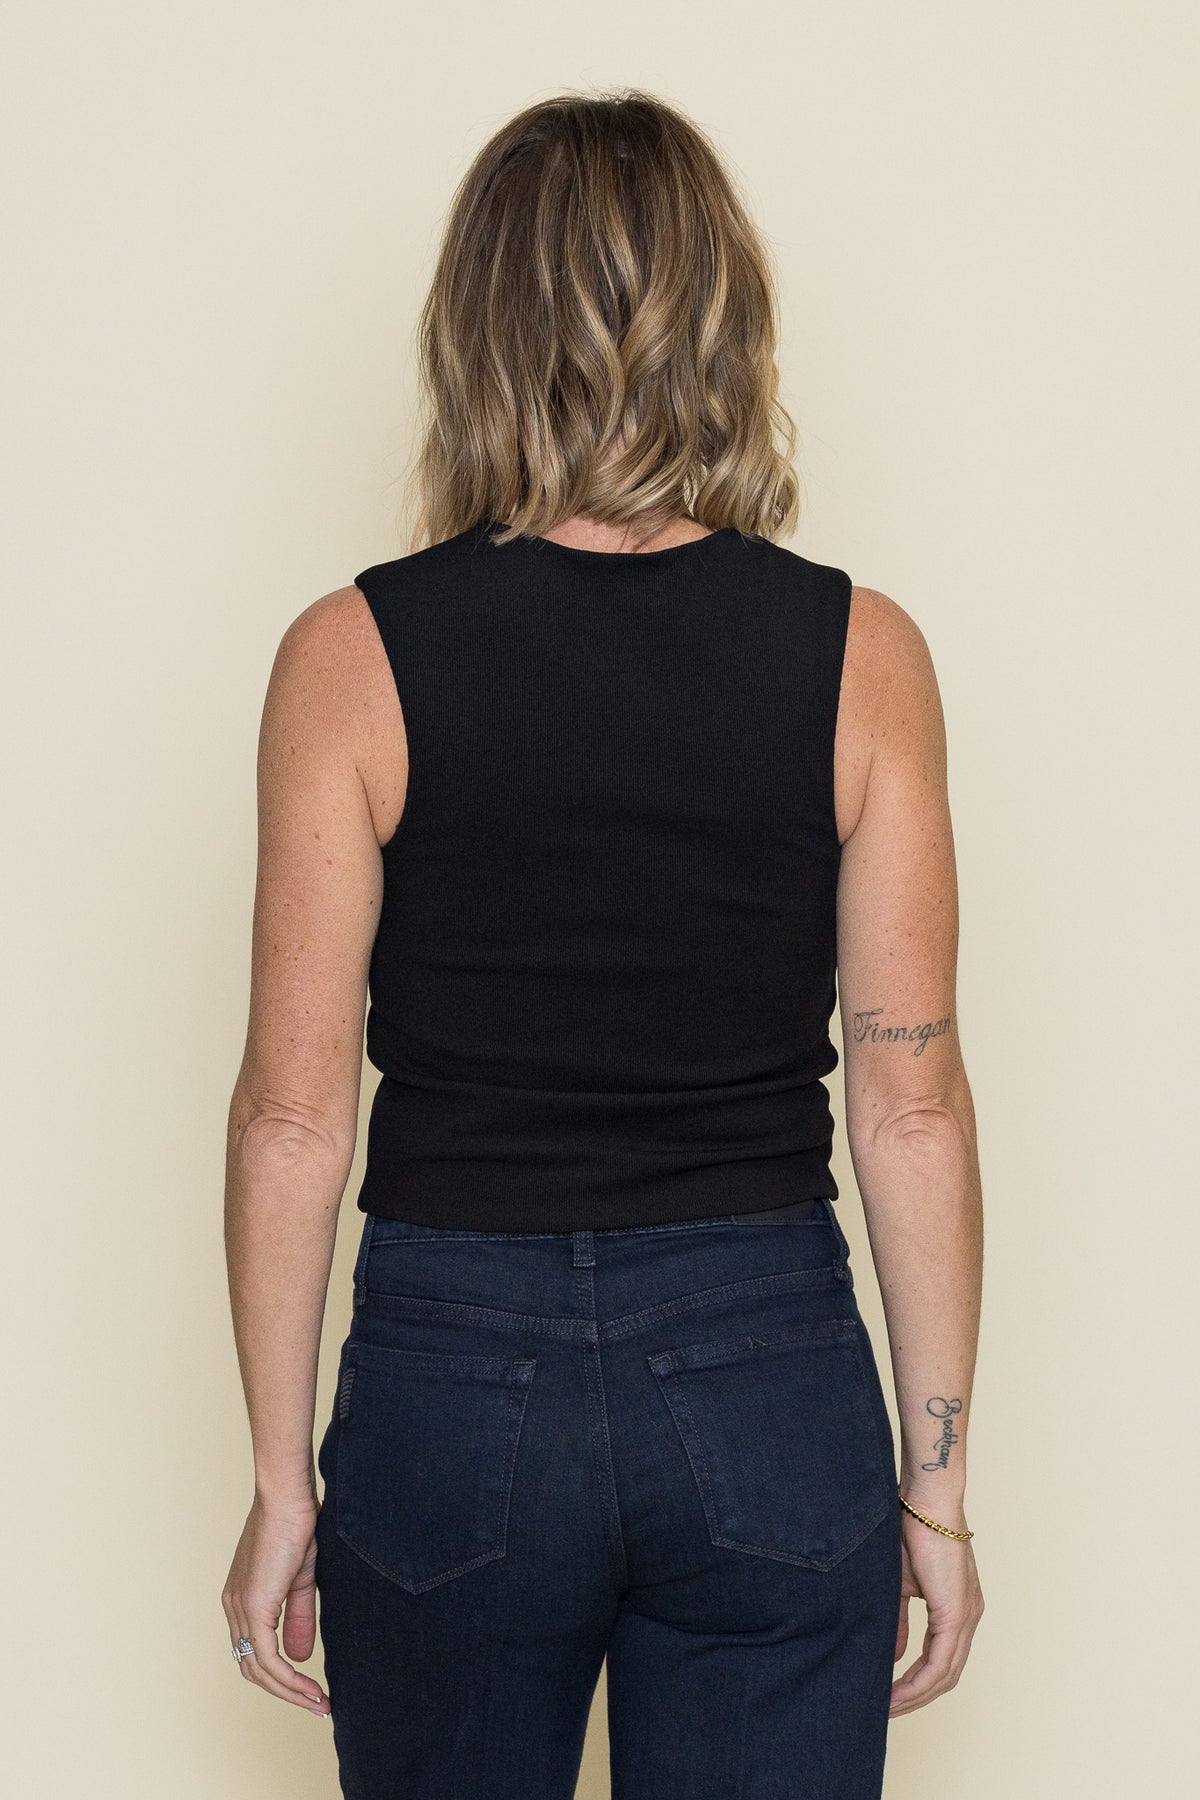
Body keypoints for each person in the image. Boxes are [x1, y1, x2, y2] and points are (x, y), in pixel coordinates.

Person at [221, 87, 984, 1799]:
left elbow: (291, 1117)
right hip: (766, 1362)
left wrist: (281, 1483)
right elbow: (913, 1108)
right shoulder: (863, 655)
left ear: (476, 334)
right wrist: (935, 1494)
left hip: (449, 1370)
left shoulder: (350, 655)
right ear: (724, 323)